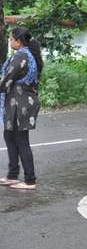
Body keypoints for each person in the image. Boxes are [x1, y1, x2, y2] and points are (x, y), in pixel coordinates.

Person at [0, 27, 42, 190]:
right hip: (21, 101)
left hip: (20, 103)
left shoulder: (20, 56)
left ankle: (30, 180)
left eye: (11, 39)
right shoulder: (28, 54)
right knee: (9, 135)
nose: (10, 41)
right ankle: (12, 175)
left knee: (21, 140)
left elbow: (6, 81)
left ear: (18, 40)